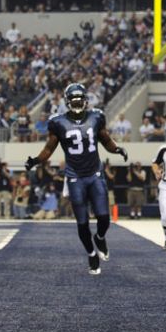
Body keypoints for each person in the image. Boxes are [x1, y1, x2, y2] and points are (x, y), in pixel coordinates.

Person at [25, 83, 128, 275]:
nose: (78, 102)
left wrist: (117, 149)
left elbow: (105, 139)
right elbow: (49, 148)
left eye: (80, 99)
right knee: (82, 223)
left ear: (85, 100)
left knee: (104, 218)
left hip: (95, 174)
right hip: (74, 177)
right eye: (74, 99)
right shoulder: (58, 122)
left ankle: (99, 238)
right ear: (67, 102)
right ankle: (91, 254)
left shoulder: (96, 117)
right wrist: (36, 160)